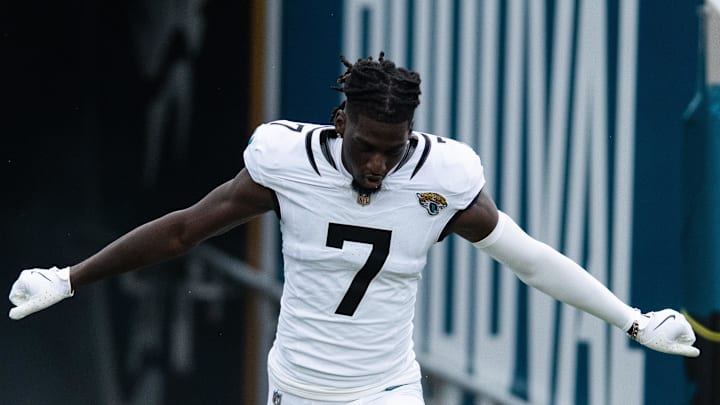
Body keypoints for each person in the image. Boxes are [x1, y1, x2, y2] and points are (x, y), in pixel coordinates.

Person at [9, 53, 699, 405]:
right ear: (339, 122)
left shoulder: (443, 174)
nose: (376, 162)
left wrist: (632, 320)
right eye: (365, 144)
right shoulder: (286, 161)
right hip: (300, 387)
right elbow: (184, 230)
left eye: (391, 149)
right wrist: (68, 278)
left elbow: (528, 257)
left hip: (388, 388)